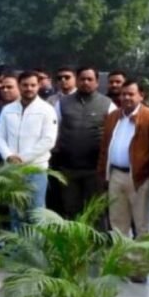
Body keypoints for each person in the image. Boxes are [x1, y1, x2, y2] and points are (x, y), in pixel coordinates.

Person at [98, 80, 149, 245]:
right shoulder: (113, 116)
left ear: (141, 96)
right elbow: (105, 146)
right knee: (117, 222)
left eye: (131, 94)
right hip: (115, 175)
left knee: (141, 223)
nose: (126, 97)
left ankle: (140, 261)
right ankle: (121, 258)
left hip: (139, 177)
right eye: (123, 94)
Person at [0, 71, 58, 223]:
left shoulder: (47, 109)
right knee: (15, 211)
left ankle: (35, 240)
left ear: (38, 86)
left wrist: (22, 158)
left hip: (35, 169)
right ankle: (16, 239)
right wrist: (8, 156)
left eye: (33, 85)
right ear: (19, 86)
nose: (29, 88)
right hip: (12, 169)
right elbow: (0, 136)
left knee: (35, 213)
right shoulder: (8, 109)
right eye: (25, 85)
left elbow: (48, 140)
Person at [52, 67, 115, 218]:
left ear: (97, 82)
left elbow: (113, 135)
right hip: (68, 168)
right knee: (70, 210)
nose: (85, 82)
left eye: (89, 79)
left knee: (95, 212)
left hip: (95, 170)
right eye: (82, 79)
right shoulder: (62, 103)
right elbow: (54, 131)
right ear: (77, 80)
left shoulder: (108, 104)